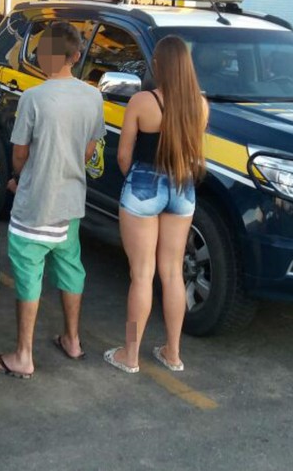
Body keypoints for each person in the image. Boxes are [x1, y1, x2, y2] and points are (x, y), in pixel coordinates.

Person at [0, 21, 106, 379]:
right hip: (71, 204)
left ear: (44, 55)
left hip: (35, 204)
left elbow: (20, 154)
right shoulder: (93, 97)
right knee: (70, 268)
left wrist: (18, 179)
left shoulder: (33, 98)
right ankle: (72, 340)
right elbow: (88, 151)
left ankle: (23, 356)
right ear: (76, 56)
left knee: (28, 274)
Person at [104, 36, 208, 374]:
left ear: (159, 66)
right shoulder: (200, 105)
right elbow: (195, 154)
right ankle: (173, 353)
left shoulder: (142, 101)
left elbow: (123, 156)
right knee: (173, 273)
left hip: (144, 186)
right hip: (182, 187)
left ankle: (130, 354)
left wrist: (137, 181)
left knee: (141, 275)